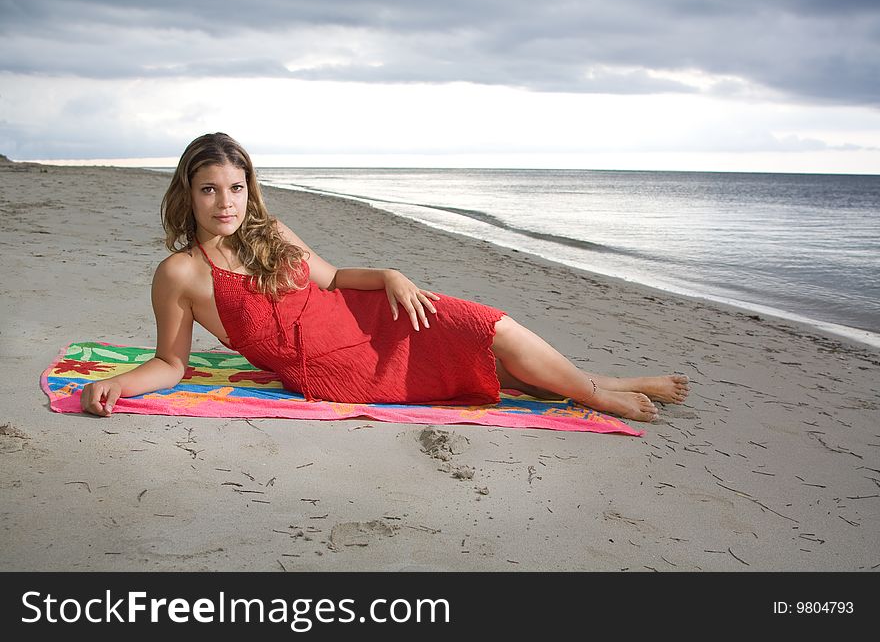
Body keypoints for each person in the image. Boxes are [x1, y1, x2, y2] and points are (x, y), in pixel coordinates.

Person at [80, 132, 689, 421]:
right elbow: (171, 364)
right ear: (187, 194)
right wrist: (117, 385)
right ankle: (593, 395)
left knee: (478, 323)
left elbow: (334, 278)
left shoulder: (271, 232)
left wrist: (392, 275)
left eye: (236, 188)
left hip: (363, 317)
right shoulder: (179, 273)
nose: (225, 202)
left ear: (249, 190)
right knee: (477, 353)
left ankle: (594, 378)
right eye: (209, 189)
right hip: (330, 367)